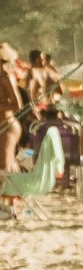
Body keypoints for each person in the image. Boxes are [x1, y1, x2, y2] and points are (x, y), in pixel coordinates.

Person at [0, 45, 24, 175]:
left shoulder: (7, 78)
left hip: (8, 126)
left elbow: (17, 106)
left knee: (5, 165)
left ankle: (15, 193)